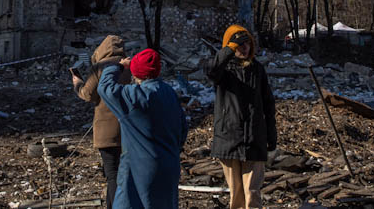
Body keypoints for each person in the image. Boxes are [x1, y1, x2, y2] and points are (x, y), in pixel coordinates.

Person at [98, 48, 188, 209]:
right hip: (169, 165)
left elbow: (104, 88)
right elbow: (183, 129)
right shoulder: (169, 92)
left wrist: (118, 66)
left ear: (136, 72)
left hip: (140, 170)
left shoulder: (134, 96)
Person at [205, 25, 277, 209]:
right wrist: (228, 49)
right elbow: (211, 70)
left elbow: (268, 103)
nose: (244, 48)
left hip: (254, 138)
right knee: (236, 194)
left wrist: (271, 134)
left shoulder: (257, 69)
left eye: (247, 44)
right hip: (229, 138)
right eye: (239, 44)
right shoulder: (224, 71)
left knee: (252, 192)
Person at [72, 35, 131, 209]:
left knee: (112, 174)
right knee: (124, 173)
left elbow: (87, 94)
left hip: (106, 131)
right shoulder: (129, 66)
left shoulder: (100, 67)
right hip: (129, 129)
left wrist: (77, 83)